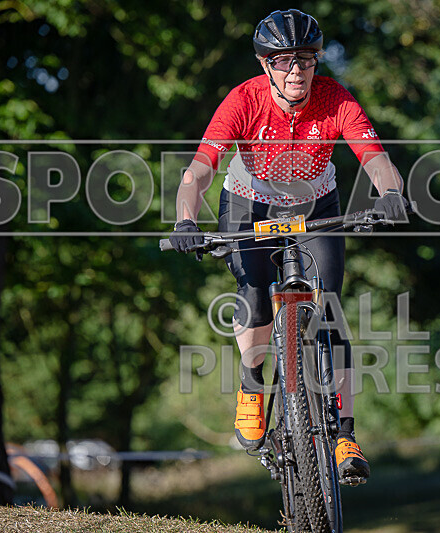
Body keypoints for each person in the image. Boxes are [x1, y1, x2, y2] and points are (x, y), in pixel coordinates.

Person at [170, 9, 407, 483]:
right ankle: (253, 384)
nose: (297, 70)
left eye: (307, 59)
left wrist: (392, 195)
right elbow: (197, 172)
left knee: (332, 308)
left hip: (317, 202)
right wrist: (185, 220)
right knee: (255, 293)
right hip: (248, 203)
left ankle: (344, 435)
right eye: (283, 61)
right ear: (265, 65)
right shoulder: (243, 101)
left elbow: (376, 159)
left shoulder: (335, 99)